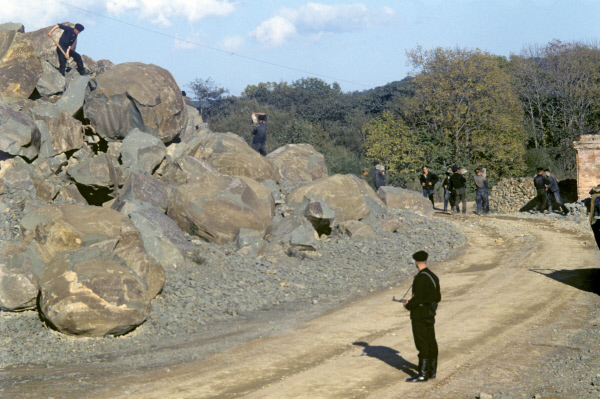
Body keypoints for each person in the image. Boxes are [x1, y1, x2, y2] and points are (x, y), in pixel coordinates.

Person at [403, 251, 441, 382]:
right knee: (431, 341)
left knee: (421, 342)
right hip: (430, 314)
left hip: (419, 315)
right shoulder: (433, 276)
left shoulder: (420, 278)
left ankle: (423, 374)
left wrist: (408, 305)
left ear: (415, 262)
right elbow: (438, 297)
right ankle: (432, 371)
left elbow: (417, 299)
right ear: (426, 260)